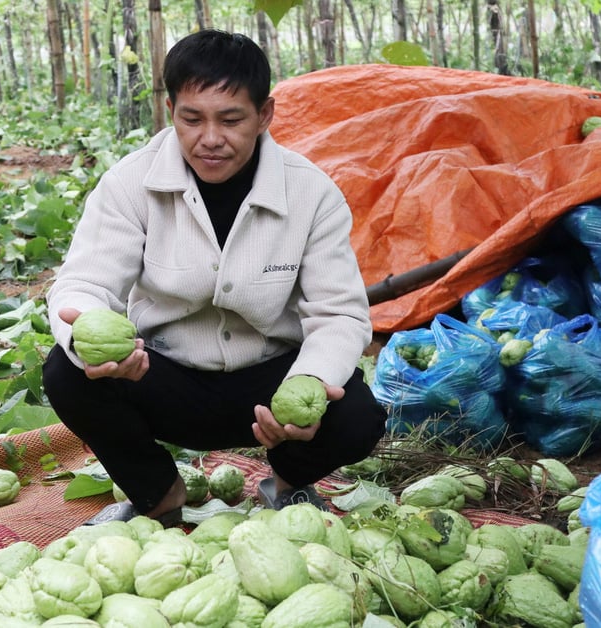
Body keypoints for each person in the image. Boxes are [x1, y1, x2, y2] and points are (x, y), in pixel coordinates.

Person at [42, 29, 386, 524]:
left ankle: (287, 485)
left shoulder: (311, 193)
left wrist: (309, 383)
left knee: (357, 414)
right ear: (170, 111)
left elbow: (339, 314)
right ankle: (157, 496)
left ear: (264, 115)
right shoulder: (129, 183)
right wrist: (87, 330)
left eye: (230, 120)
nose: (210, 139)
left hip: (270, 386)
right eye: (192, 118)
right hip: (162, 376)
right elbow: (85, 282)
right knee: (65, 371)